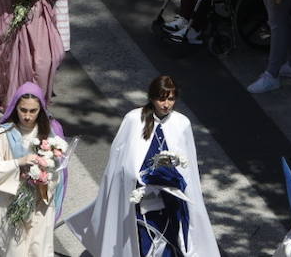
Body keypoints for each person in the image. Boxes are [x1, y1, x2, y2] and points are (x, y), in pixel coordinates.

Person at [66, 76, 220, 257]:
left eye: (171, 99)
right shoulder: (133, 119)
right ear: (151, 97)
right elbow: (120, 162)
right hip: (140, 203)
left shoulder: (181, 123)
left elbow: (189, 167)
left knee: (169, 246)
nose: (166, 104)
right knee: (142, 245)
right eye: (161, 98)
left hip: (170, 203)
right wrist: (140, 179)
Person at [0, 84, 66, 257]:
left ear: (41, 110)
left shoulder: (51, 136)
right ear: (15, 108)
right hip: (10, 203)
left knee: (39, 250)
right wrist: (17, 164)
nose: (28, 116)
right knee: (12, 251)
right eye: (23, 110)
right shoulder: (3, 134)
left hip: (40, 205)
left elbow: (59, 175)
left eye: (33, 111)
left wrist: (45, 179)